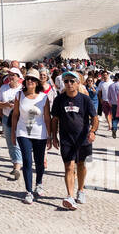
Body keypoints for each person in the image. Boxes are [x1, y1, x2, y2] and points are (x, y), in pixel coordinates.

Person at [50, 70, 98, 211]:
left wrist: (93, 132)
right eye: (66, 81)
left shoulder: (85, 99)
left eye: (72, 81)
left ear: (78, 83)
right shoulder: (59, 100)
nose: (69, 84)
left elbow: (94, 118)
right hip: (66, 138)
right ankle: (70, 196)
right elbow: (55, 119)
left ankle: (81, 190)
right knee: (69, 167)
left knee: (81, 165)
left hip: (83, 139)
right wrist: (53, 136)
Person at [11, 71, 52, 204]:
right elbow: (15, 115)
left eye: (33, 79)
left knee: (39, 162)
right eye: (28, 79)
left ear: (37, 82)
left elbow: (47, 117)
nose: (30, 81)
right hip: (23, 133)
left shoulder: (43, 98)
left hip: (40, 133)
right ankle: (28, 191)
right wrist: (13, 132)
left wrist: (50, 135)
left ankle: (38, 182)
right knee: (27, 161)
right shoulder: (19, 95)